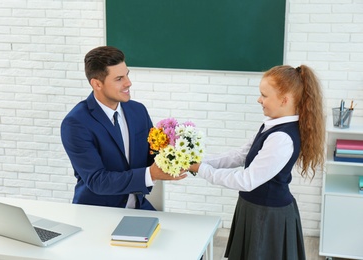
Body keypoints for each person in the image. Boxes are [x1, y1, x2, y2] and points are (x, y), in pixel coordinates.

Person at [189, 65, 325, 260]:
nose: (259, 99)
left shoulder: (282, 138)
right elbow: (241, 155)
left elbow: (247, 180)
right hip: (253, 207)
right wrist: (199, 161)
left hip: (268, 215)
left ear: (284, 100)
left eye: (264, 95)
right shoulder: (271, 125)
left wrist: (200, 169)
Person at [61, 46, 186, 210]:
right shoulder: (76, 123)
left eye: (127, 74)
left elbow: (152, 155)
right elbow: (98, 181)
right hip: (96, 213)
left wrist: (181, 155)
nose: (128, 83)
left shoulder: (138, 110)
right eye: (119, 78)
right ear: (97, 84)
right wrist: (151, 174)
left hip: (138, 207)